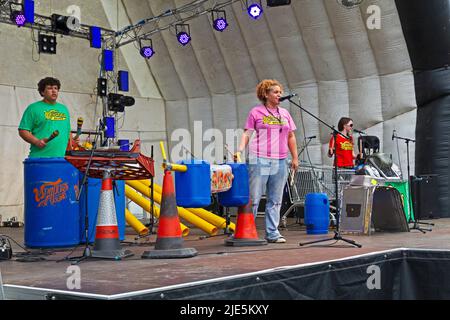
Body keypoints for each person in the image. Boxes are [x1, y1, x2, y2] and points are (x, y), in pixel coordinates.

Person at [235, 79, 298, 243]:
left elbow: (291, 136)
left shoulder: (284, 114)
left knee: (275, 199)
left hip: (280, 159)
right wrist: (239, 150)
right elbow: (247, 133)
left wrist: (295, 158)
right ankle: (245, 231)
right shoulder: (256, 112)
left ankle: (272, 233)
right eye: (275, 92)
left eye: (280, 92)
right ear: (266, 94)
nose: (279, 95)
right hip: (259, 158)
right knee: (254, 197)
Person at [19, 77, 72, 158]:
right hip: (40, 158)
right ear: (42, 92)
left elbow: (67, 130)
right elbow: (23, 130)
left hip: (61, 159)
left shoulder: (64, 109)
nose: (54, 91)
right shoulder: (33, 108)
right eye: (50, 88)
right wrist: (36, 141)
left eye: (56, 88)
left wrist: (73, 141)